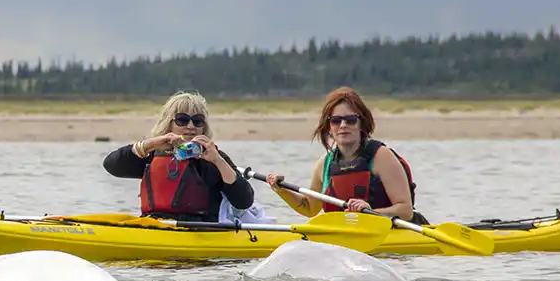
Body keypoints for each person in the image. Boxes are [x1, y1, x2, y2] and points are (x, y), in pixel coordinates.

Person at [266, 86, 430, 225]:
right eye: (336, 120)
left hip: (395, 233)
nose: (343, 125)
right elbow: (310, 208)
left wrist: (371, 212)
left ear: (361, 123)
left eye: (351, 120)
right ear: (329, 127)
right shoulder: (324, 164)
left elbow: (405, 211)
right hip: (350, 237)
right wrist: (281, 189)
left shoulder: (381, 157)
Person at [102, 91, 255, 223]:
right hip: (156, 226)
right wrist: (150, 144)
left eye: (197, 121)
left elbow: (244, 201)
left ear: (203, 126)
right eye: (182, 120)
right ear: (169, 124)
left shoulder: (213, 158)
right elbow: (111, 165)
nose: (190, 126)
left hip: (201, 231)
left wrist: (218, 161)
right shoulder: (152, 155)